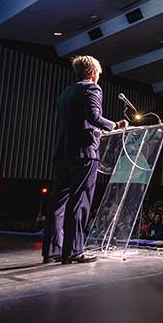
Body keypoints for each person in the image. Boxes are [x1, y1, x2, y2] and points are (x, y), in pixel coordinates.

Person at [42, 55, 127, 264]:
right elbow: (93, 117)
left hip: (62, 153)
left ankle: (52, 250)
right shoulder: (92, 89)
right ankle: (73, 250)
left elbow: (76, 121)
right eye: (98, 74)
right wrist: (115, 125)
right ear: (92, 73)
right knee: (79, 202)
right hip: (83, 154)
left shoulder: (66, 92)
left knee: (57, 203)